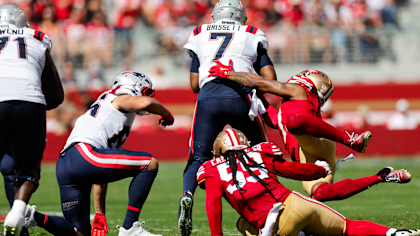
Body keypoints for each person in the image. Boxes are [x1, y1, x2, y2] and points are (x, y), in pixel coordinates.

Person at [209, 62, 411, 202]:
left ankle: (350, 140)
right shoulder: (296, 101)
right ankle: (382, 177)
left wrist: (230, 74)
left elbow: (262, 84)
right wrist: (255, 96)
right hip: (309, 153)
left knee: (293, 122)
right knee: (321, 193)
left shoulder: (299, 91)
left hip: (315, 141)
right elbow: (273, 119)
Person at [23, 71, 174, 236]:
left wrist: (100, 213)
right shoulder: (119, 97)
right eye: (146, 91)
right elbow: (144, 102)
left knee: (79, 232)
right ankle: (130, 227)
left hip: (67, 163)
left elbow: (101, 174)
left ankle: (33, 217)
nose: (149, 96)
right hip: (84, 154)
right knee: (149, 164)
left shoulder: (109, 108)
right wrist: (166, 113)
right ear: (133, 87)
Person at [199, 128, 419, 236]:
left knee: (241, 224)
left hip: (272, 222)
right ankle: (395, 233)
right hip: (295, 203)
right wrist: (318, 169)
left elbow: (213, 202)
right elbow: (290, 170)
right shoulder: (260, 152)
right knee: (347, 226)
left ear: (219, 150)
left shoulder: (212, 169)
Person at [179, 1, 278, 235]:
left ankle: (187, 194)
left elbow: (194, 84)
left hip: (208, 98)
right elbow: (270, 77)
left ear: (216, 15)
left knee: (198, 157)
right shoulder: (252, 33)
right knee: (261, 151)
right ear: (241, 15)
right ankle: (272, 205)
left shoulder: (199, 32)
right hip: (240, 96)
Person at [0, 4, 64, 236]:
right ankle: (18, 212)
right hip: (30, 101)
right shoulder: (36, 38)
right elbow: (56, 96)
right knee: (27, 165)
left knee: (8, 165)